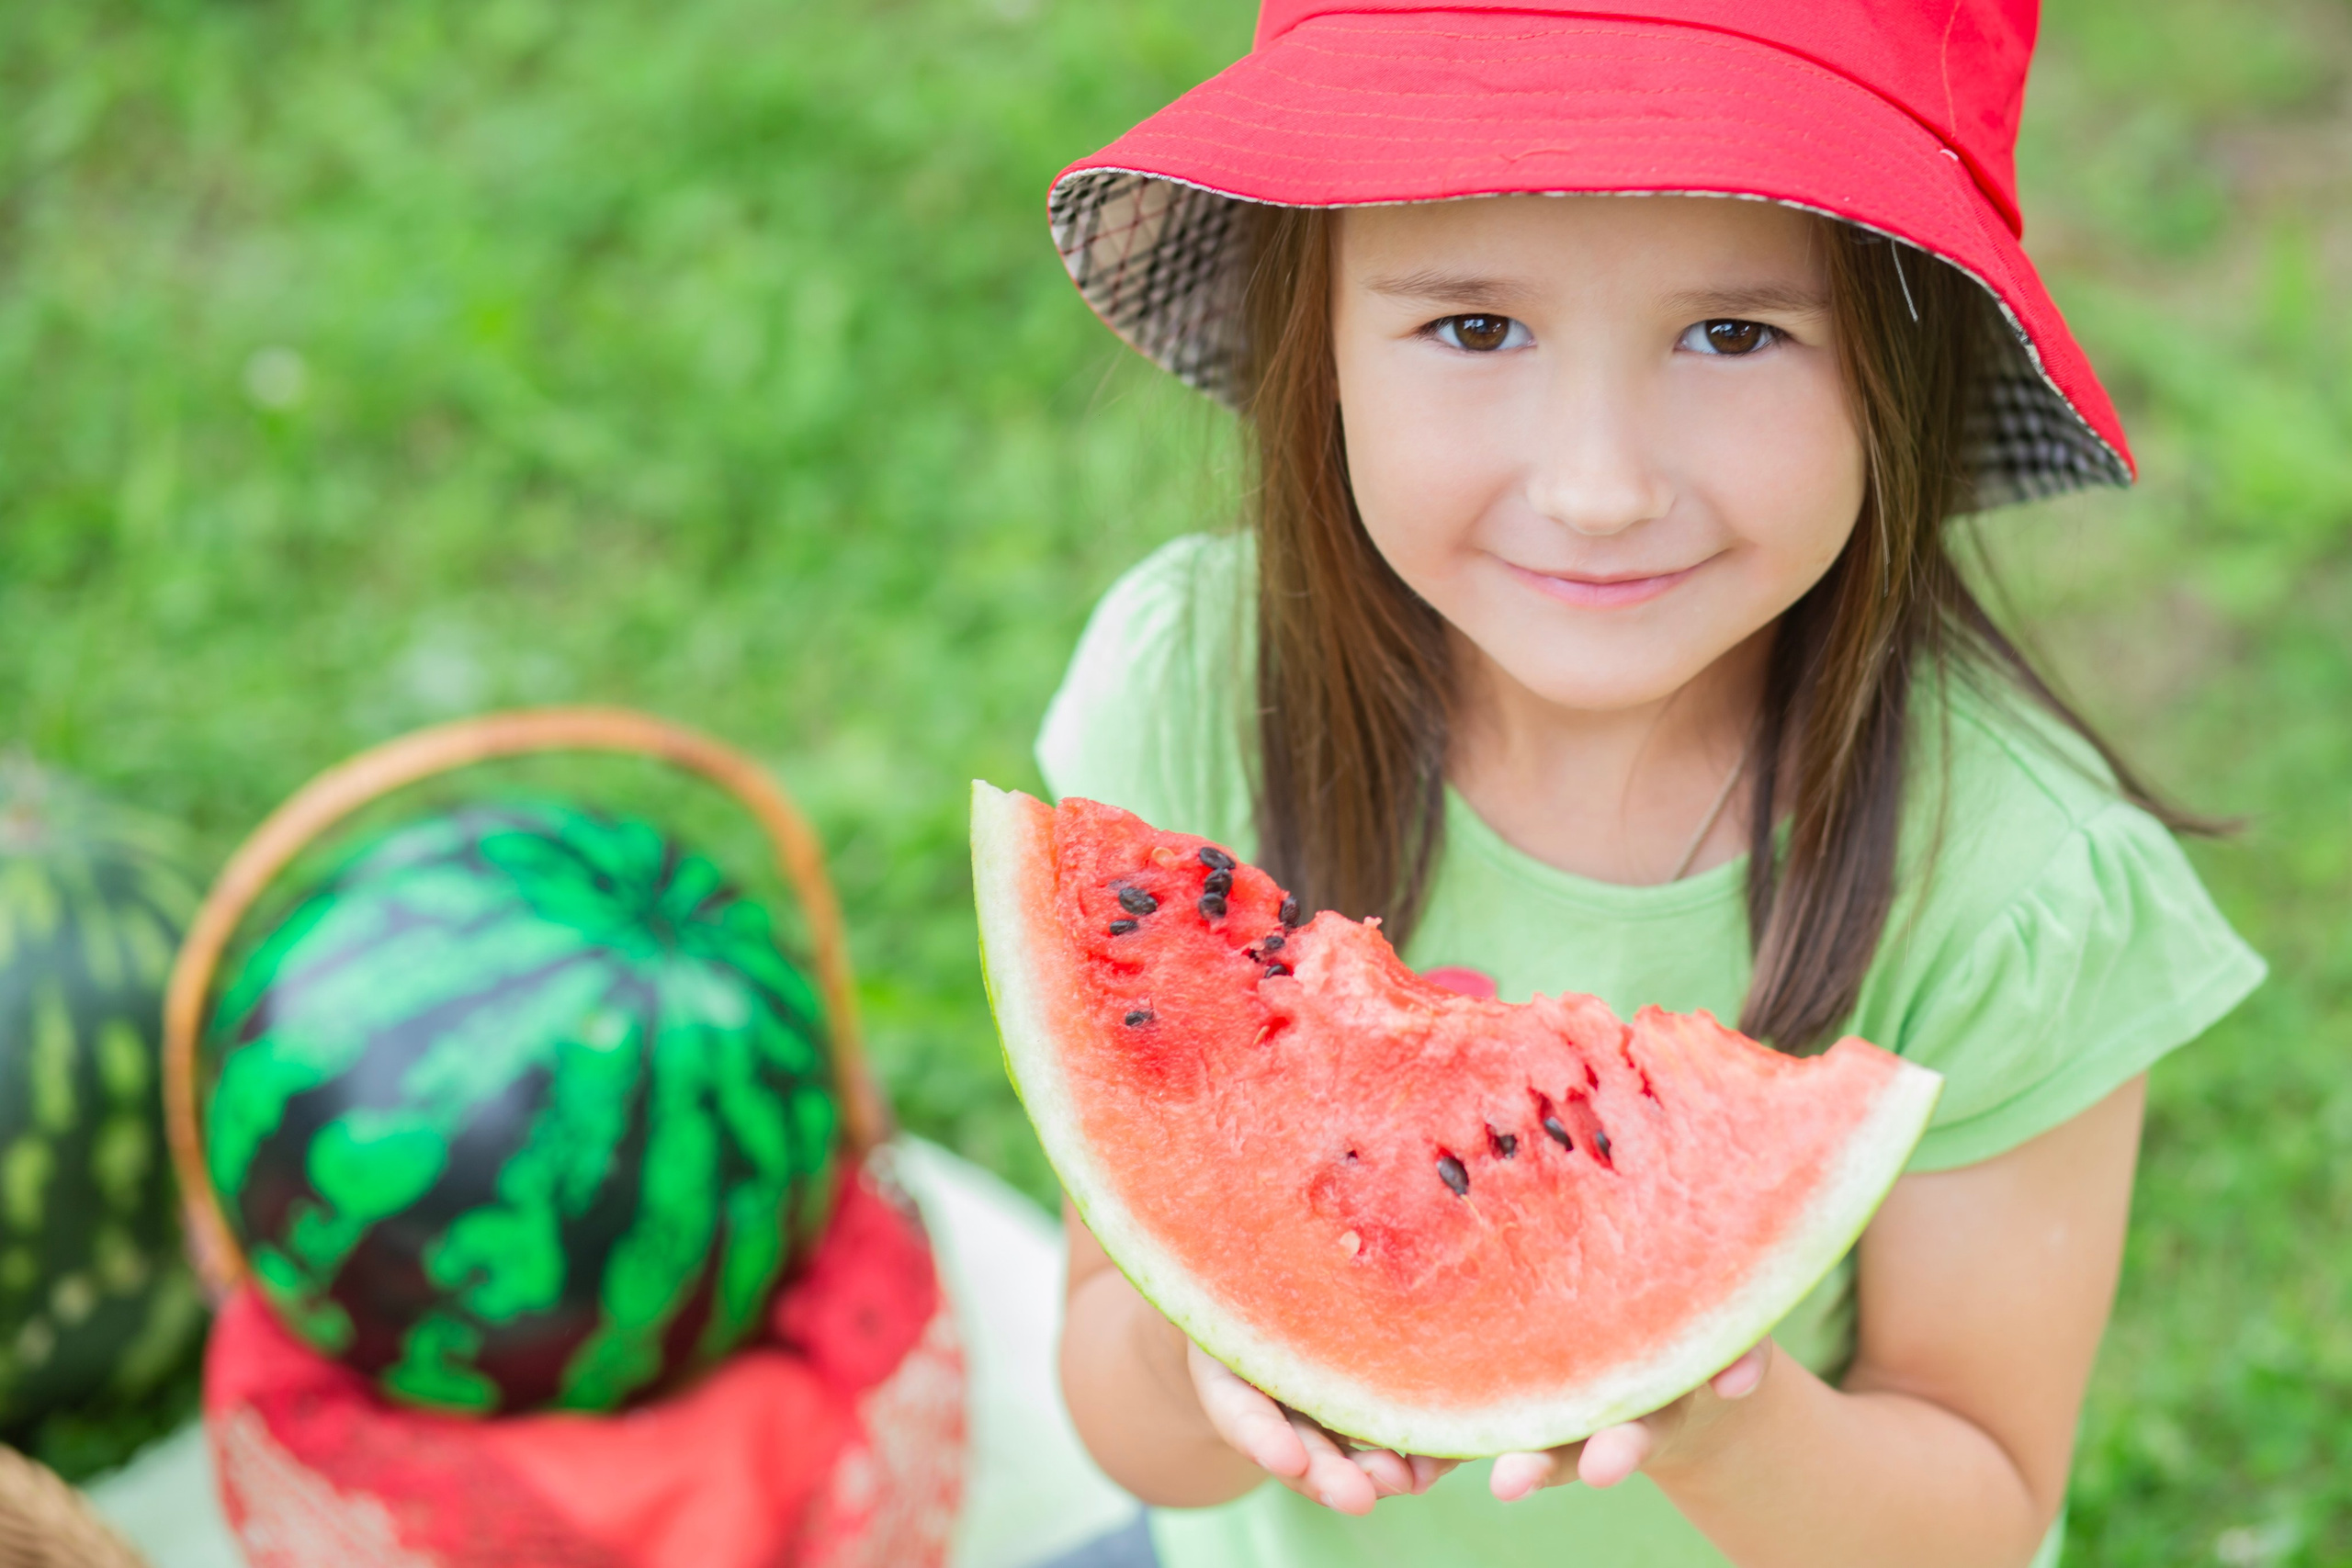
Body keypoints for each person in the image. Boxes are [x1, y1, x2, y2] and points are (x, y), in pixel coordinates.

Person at [1025, 4, 2266, 1565]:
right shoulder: (1192, 688)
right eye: (1477, 328)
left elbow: (1977, 1509)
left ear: (1899, 364)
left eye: (1732, 333)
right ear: (1313, 331)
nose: (1598, 486)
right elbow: (1122, 1418)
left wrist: (1721, 1416)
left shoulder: (2021, 889)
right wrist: (1204, 1332)